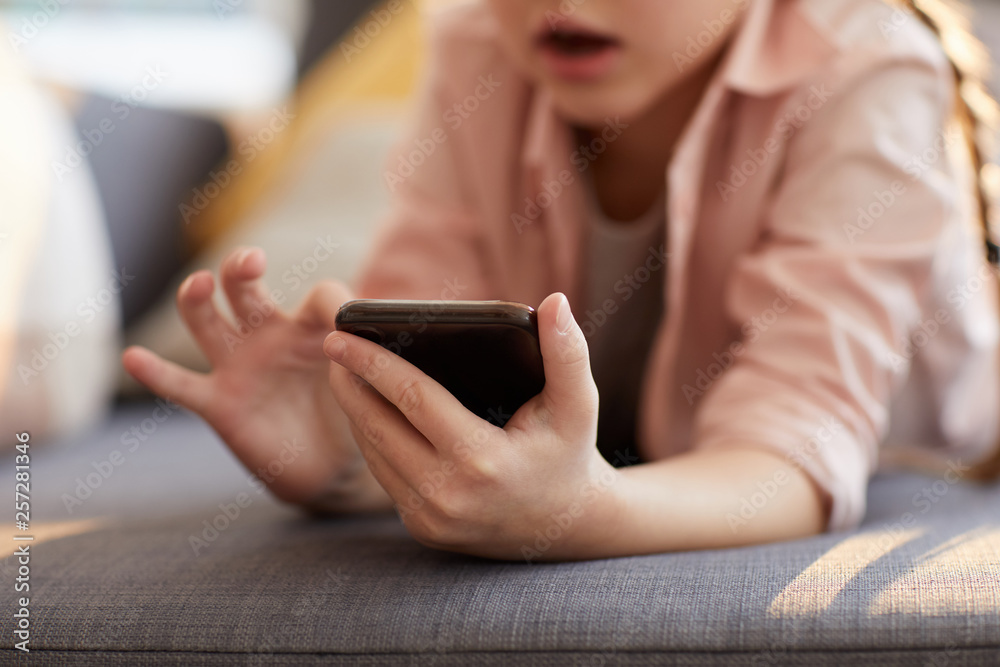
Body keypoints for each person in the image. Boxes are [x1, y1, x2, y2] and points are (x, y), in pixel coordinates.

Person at [123, 0, 1000, 561]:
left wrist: (583, 512)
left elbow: (793, 459)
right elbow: (451, 374)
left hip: (897, 452)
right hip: (628, 443)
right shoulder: (478, 40)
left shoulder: (868, 68)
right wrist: (341, 454)